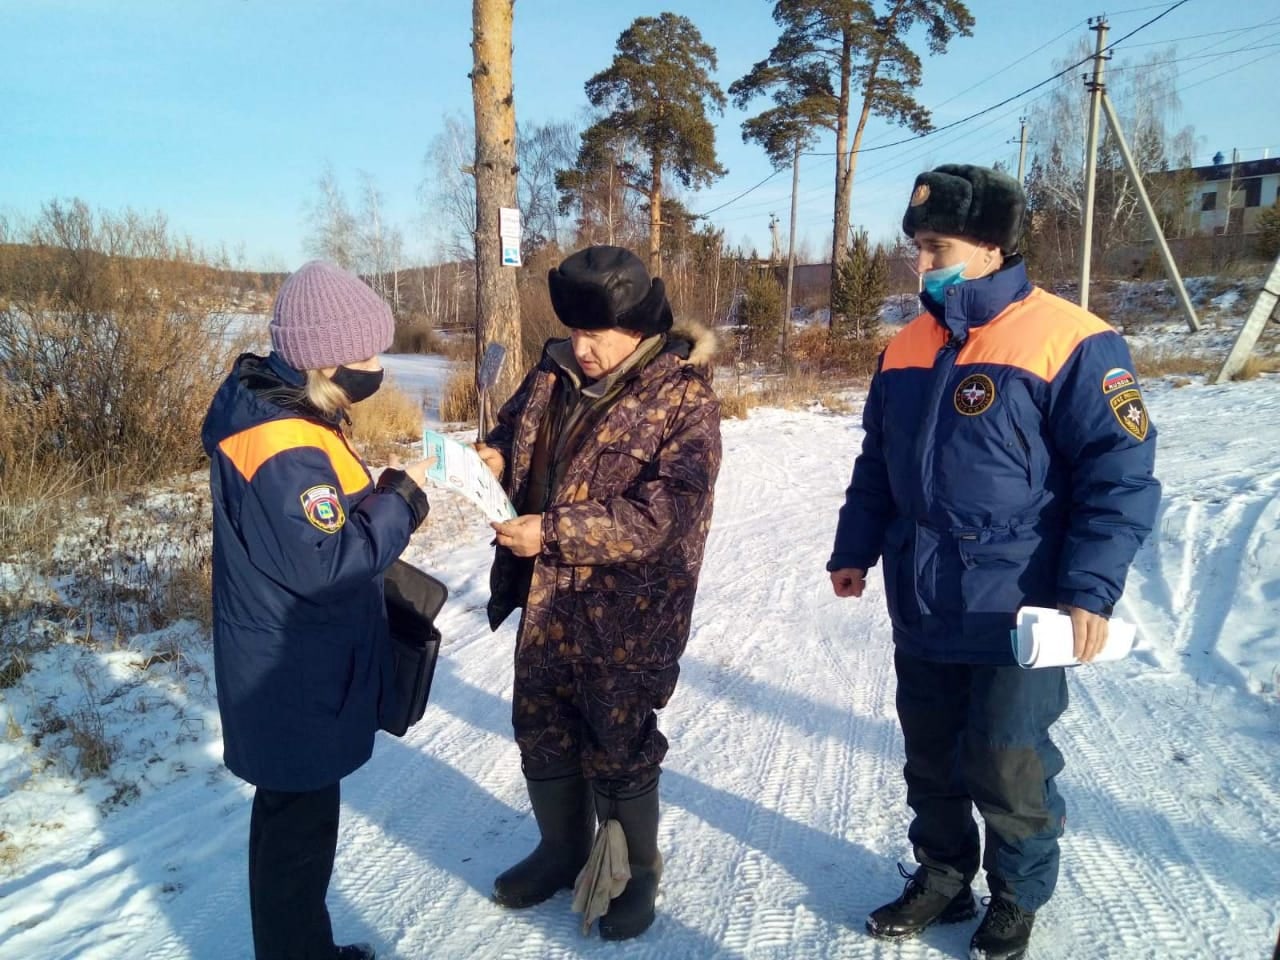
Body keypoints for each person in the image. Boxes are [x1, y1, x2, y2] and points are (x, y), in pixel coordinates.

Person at [828, 165, 1160, 960]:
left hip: (1021, 608)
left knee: (1009, 761)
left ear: (989, 247)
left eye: (934, 246)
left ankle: (1017, 894)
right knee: (931, 756)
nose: (920, 263)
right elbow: (878, 462)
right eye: (915, 248)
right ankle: (944, 876)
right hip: (923, 596)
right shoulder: (903, 347)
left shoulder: (1072, 339)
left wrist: (1089, 590)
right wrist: (855, 546)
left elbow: (1120, 474)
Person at [478, 245, 721, 940]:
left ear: (638, 328)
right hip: (547, 599)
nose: (580, 348)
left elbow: (661, 515)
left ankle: (633, 874)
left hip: (630, 611)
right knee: (541, 727)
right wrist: (495, 453)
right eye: (574, 331)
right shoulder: (552, 369)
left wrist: (550, 532)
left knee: (618, 742)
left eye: (595, 335)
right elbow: (515, 427)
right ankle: (562, 851)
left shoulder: (683, 399)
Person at [202, 260, 432, 960]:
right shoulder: (282, 441)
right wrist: (405, 503)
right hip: (291, 671)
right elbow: (329, 561)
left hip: (282, 661)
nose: (375, 367)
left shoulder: (276, 404)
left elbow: (316, 522)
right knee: (298, 843)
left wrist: (380, 487)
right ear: (324, 357)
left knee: (287, 825)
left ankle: (299, 949)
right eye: (365, 354)